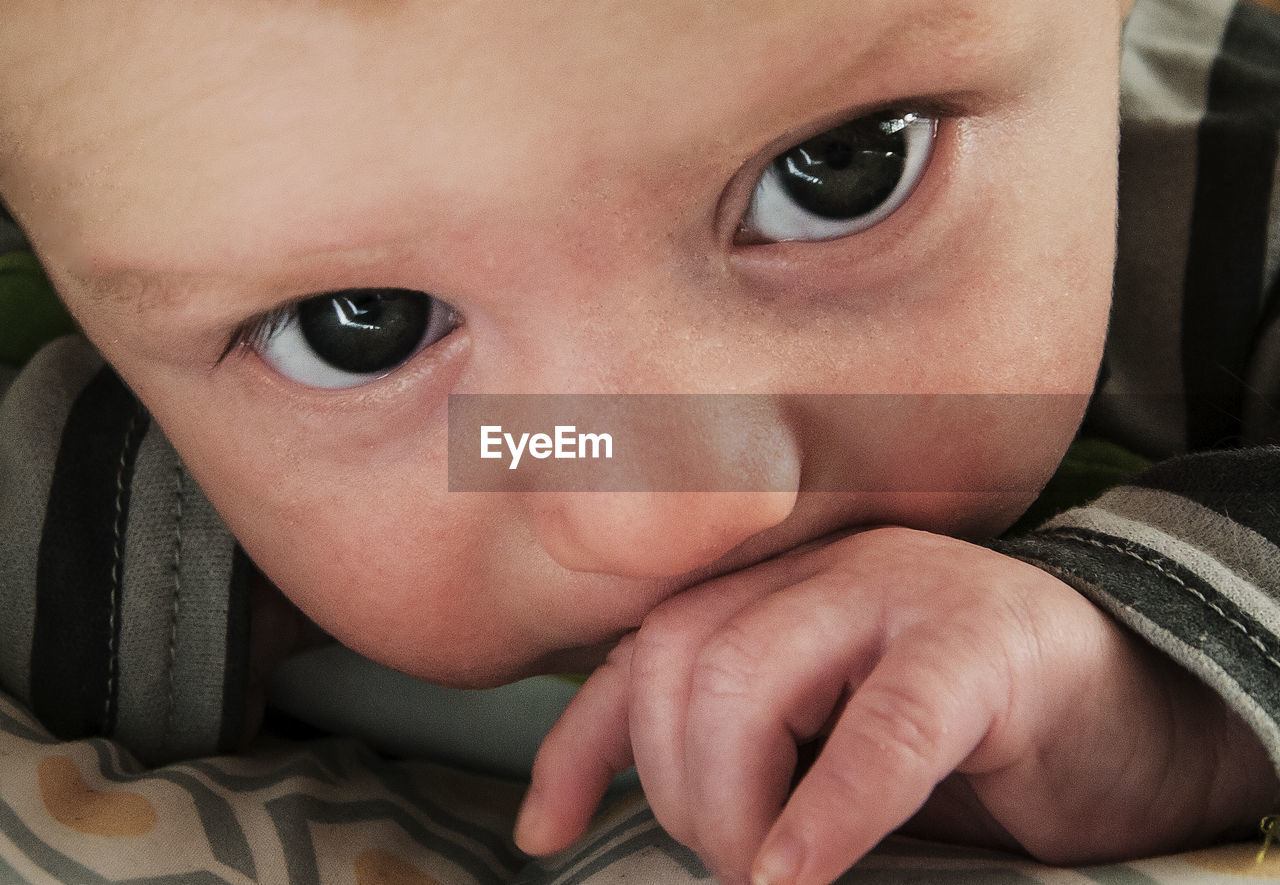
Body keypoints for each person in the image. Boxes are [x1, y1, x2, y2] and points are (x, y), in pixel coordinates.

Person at [0, 1, 1277, 884]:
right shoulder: (72, 435)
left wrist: (1161, 688)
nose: (664, 498)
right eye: (361, 330)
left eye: (838, 169)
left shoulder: (1235, 187)